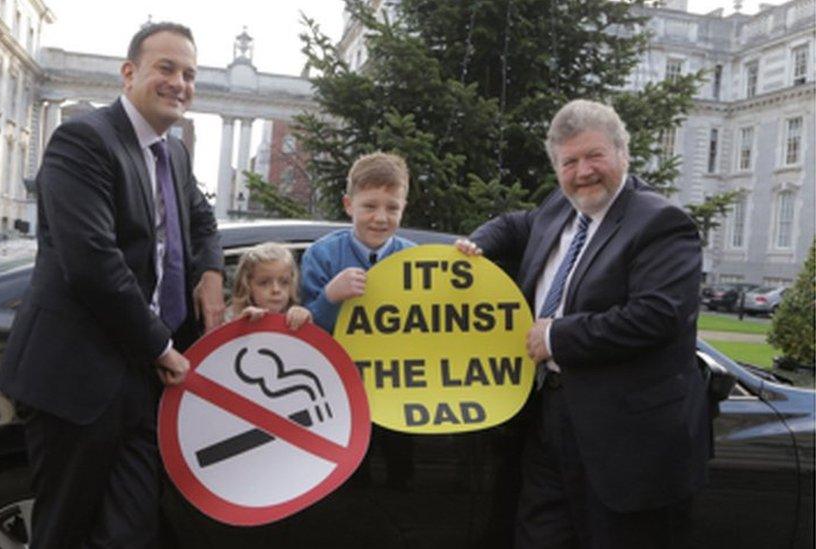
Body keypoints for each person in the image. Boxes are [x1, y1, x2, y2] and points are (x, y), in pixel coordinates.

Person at [0, 22, 224, 548]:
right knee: (64, 532)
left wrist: (210, 273)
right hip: (77, 379)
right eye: (165, 68)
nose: (179, 83)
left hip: (143, 384)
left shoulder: (176, 154)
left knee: (130, 531)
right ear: (129, 73)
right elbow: (91, 262)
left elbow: (205, 224)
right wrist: (162, 347)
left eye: (189, 74)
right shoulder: (84, 140)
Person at [457, 99, 710, 548]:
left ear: (622, 154)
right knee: (539, 538)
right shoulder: (560, 207)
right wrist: (476, 245)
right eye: (569, 162)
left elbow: (656, 314)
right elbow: (518, 225)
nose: (583, 171)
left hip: (625, 445)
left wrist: (555, 336)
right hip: (548, 424)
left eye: (595, 156)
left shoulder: (660, 223)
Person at [301, 152, 415, 333]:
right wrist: (330, 297)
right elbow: (306, 331)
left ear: (403, 209)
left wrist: (463, 259)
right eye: (370, 206)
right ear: (348, 205)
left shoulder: (414, 259)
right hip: (341, 361)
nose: (380, 218)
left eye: (393, 208)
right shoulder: (321, 256)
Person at [229, 242, 312, 330]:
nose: (276, 290)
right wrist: (239, 325)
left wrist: (306, 323)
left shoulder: (296, 316)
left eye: (284, 282)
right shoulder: (230, 317)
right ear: (246, 285)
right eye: (264, 283)